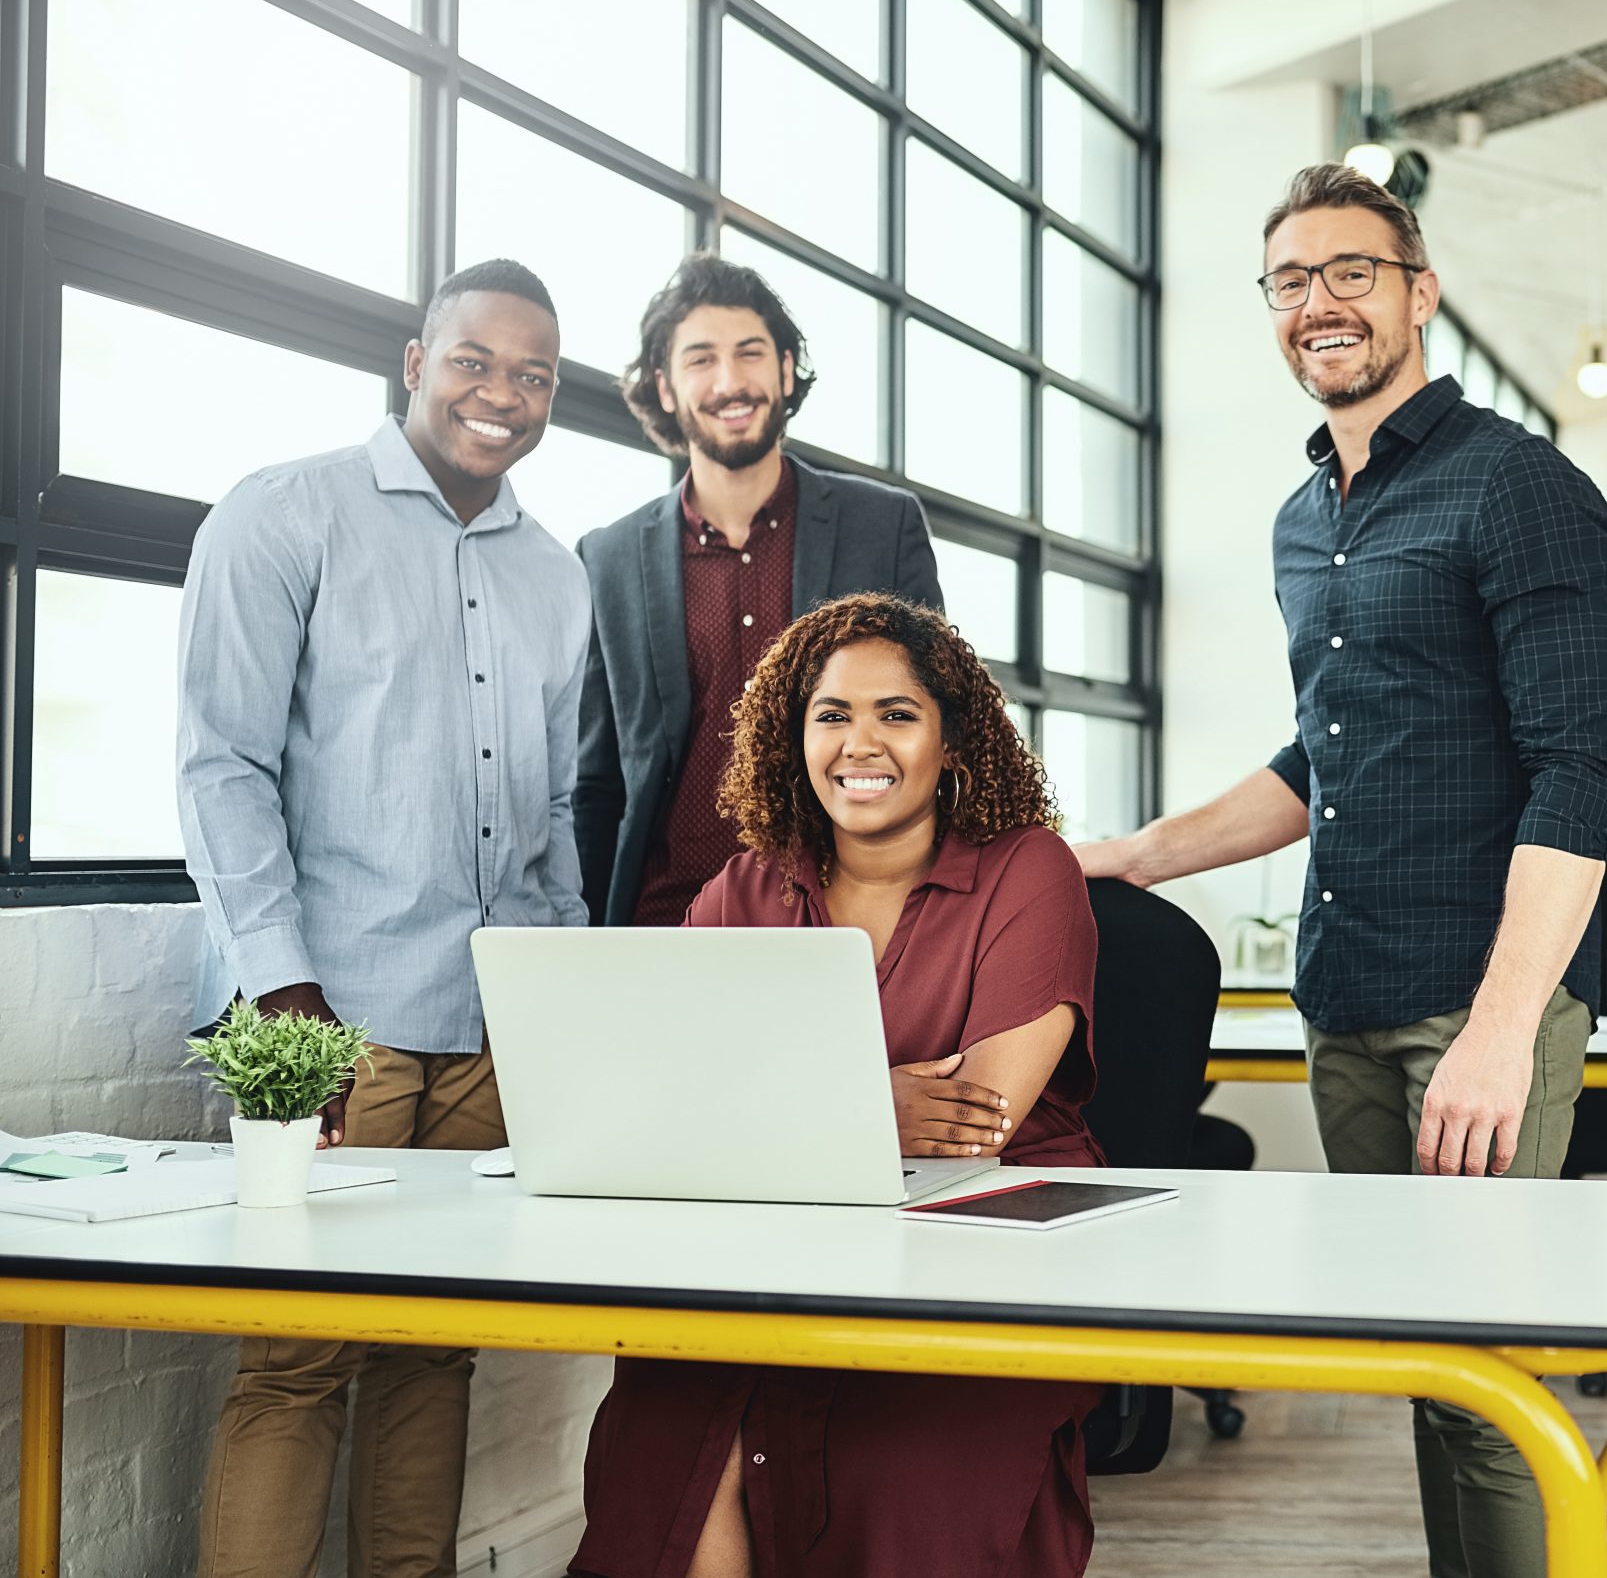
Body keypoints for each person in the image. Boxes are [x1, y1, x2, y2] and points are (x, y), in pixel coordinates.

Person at [1077, 163, 1607, 1577]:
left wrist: (1504, 1032)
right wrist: (1135, 855)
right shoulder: (1303, 518)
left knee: (1491, 1395)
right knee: (1430, 1375)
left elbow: (1581, 769)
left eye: (1351, 272)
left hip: (1472, 1012)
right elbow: (1325, 756)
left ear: (1418, 292)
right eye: (1291, 281)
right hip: (1346, 1002)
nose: (1318, 302)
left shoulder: (1519, 489)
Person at [175, 260, 591, 1578]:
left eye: (533, 375)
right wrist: (285, 996)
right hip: (327, 1022)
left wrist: (564, 1000)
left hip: (487, 1025)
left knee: (432, 1349)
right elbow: (220, 766)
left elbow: (557, 811)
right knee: (296, 1360)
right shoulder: (283, 514)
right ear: (416, 362)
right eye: (476, 360)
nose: (502, 394)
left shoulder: (557, 576)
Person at [568, 592, 1101, 1578]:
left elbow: (979, 1120)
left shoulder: (1031, 871)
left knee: (896, 1457)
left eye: (897, 713)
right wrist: (876, 1102)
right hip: (773, 1250)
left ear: (952, 738)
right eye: (831, 713)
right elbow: (676, 1105)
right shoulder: (742, 889)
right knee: (665, 1431)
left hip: (982, 1261)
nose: (861, 741)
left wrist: (776, 1104)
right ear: (792, 735)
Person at [576, 252, 943, 929]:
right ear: (664, 387)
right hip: (661, 925)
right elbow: (597, 782)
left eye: (750, 353)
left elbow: (938, 725)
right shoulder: (608, 558)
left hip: (841, 921)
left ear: (783, 369)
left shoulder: (882, 527)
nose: (729, 380)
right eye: (700, 359)